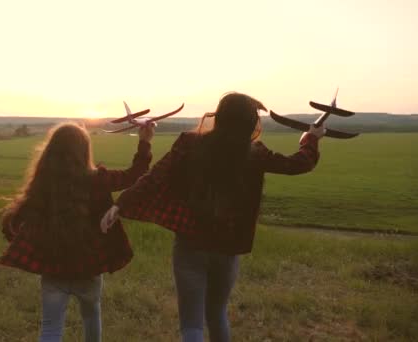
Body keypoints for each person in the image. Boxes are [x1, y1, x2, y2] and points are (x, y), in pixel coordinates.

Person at [101, 92, 325, 342]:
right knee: (217, 315)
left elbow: (155, 177)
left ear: (218, 117)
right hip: (228, 248)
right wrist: (311, 139)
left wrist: (121, 204)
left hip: (190, 245)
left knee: (191, 324)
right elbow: (298, 164)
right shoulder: (255, 153)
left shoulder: (188, 143)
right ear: (250, 124)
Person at [0, 122, 154, 342]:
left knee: (51, 328)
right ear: (84, 150)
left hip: (52, 268)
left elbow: (15, 220)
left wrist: (17, 239)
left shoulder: (44, 183)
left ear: (51, 151)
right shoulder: (98, 179)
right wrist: (145, 141)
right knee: (91, 317)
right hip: (88, 268)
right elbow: (135, 175)